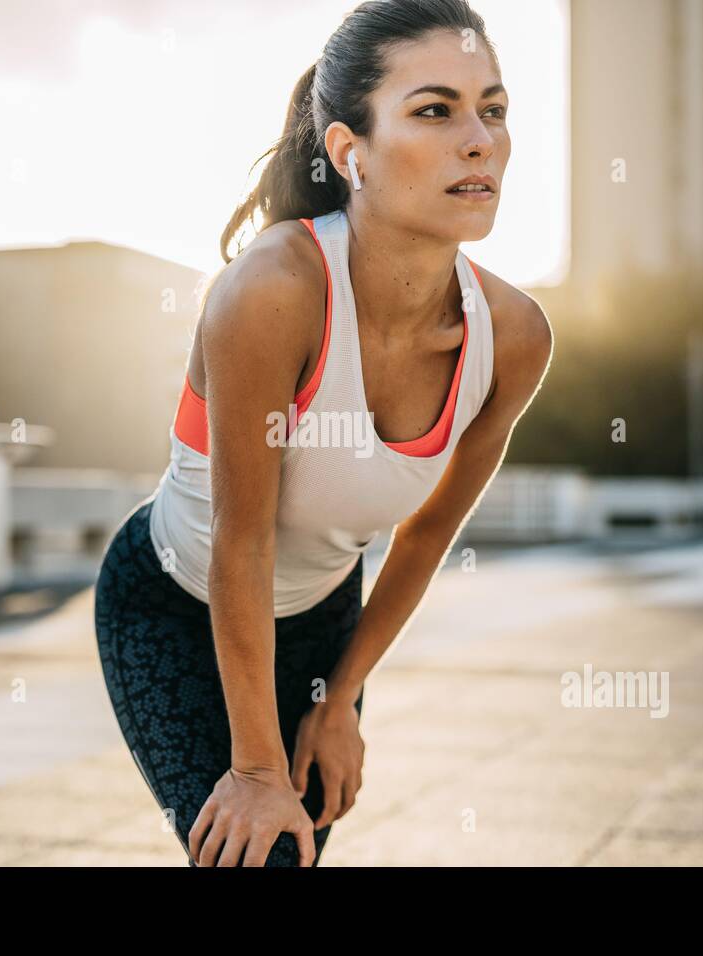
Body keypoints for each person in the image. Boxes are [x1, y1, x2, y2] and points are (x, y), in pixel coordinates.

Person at [94, 0, 553, 867]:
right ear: (350, 152)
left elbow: (423, 538)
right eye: (434, 110)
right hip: (174, 601)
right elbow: (243, 539)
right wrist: (258, 767)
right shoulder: (272, 291)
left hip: (321, 620)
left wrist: (341, 699)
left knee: (294, 857)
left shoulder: (515, 337)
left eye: (492, 109)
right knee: (257, 856)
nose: (480, 139)